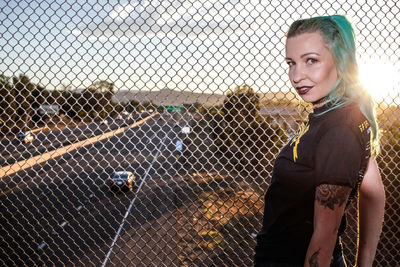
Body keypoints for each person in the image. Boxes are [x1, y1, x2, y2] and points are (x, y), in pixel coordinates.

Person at [254, 15, 385, 267]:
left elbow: (324, 235)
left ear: (341, 61)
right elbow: (374, 191)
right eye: (291, 63)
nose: (296, 75)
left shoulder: (338, 129)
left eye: (310, 60)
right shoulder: (336, 114)